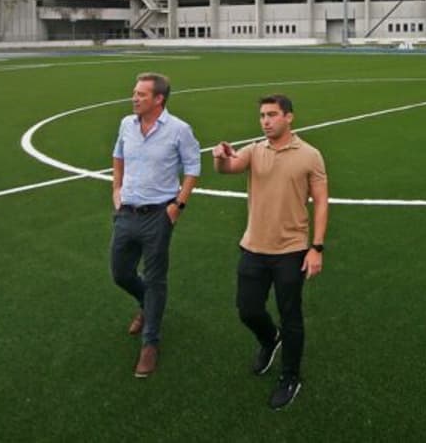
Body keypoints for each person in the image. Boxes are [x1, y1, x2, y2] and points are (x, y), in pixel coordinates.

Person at [213, 94, 329, 410]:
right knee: (247, 310)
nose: (266, 121)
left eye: (272, 115)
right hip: (253, 246)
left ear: (289, 117)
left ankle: (290, 376)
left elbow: (320, 202)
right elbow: (228, 168)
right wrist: (220, 157)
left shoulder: (310, 155)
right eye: (262, 115)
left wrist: (316, 247)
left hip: (291, 250)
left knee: (291, 315)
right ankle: (269, 339)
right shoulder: (255, 149)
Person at [110, 72, 201, 378]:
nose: (134, 98)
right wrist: (116, 190)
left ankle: (150, 343)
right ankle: (145, 304)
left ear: (159, 99)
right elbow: (118, 156)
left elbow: (192, 167)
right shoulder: (126, 124)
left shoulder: (179, 130)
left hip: (159, 215)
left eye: (141, 94)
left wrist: (179, 205)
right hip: (126, 212)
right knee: (120, 273)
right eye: (134, 93)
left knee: (156, 277)